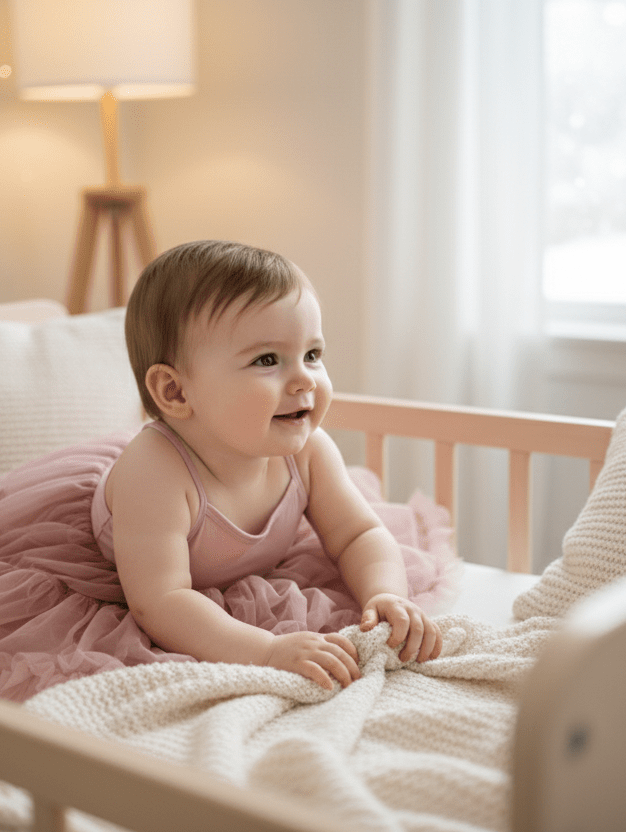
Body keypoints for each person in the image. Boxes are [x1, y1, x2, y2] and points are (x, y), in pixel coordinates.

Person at [91, 240, 442, 690]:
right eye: (267, 360)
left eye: (312, 355)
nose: (305, 379)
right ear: (176, 393)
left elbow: (360, 534)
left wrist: (386, 593)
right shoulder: (154, 472)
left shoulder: (309, 450)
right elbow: (160, 601)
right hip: (143, 581)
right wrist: (268, 650)